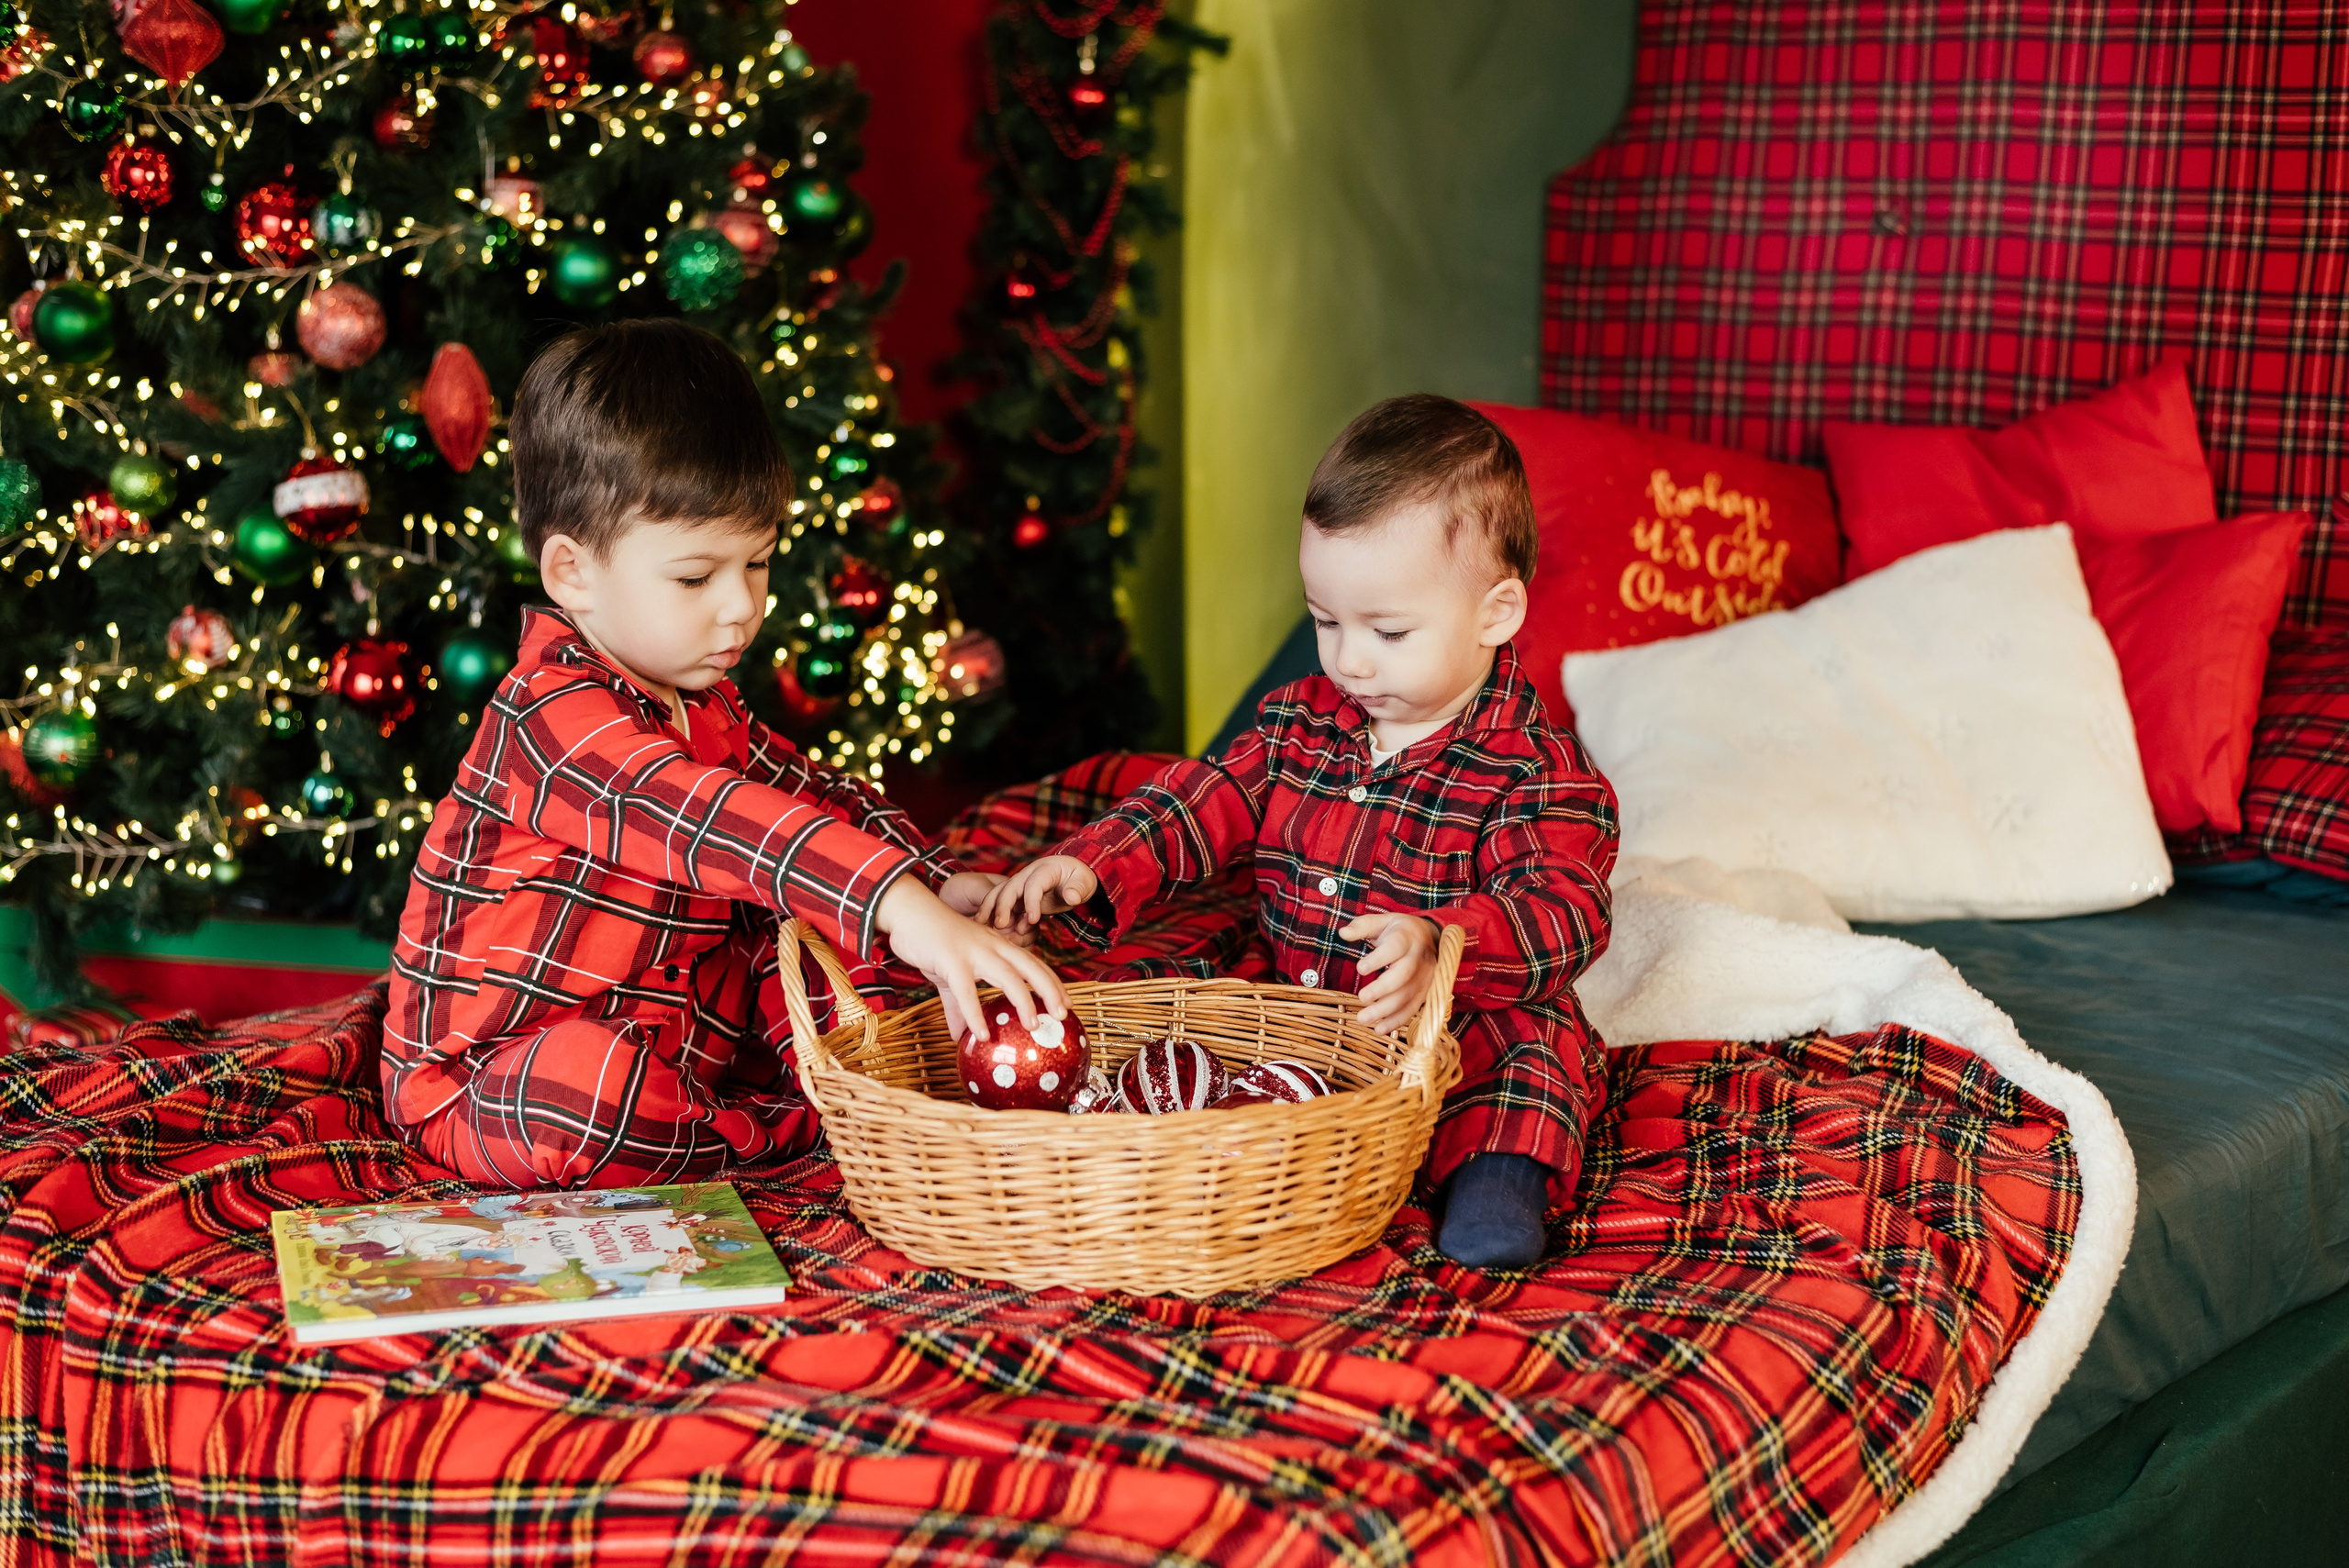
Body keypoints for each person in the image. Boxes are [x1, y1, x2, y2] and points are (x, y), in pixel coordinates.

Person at [385, 319, 1063, 1192]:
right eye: (696, 577)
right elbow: (709, 818)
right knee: (589, 1089)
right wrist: (894, 904)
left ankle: (848, 1087)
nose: (741, 607)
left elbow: (813, 798)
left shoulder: (700, 704)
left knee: (810, 932)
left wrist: (929, 884)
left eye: (760, 561)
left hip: (668, 1027)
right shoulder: (549, 718)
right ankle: (774, 1133)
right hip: (492, 1075)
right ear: (572, 573)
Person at [984, 394, 1618, 1269]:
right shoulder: (1300, 724)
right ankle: (1206, 1146)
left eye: (1388, 630)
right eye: (1325, 621)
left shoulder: (1537, 770)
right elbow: (1202, 798)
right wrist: (1093, 863)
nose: (1349, 659)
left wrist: (1443, 941)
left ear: (1496, 612)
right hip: (1298, 1001)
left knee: (1528, 1057)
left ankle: (1495, 1178)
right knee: (1188, 1005)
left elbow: (1563, 906)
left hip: (1455, 1020)